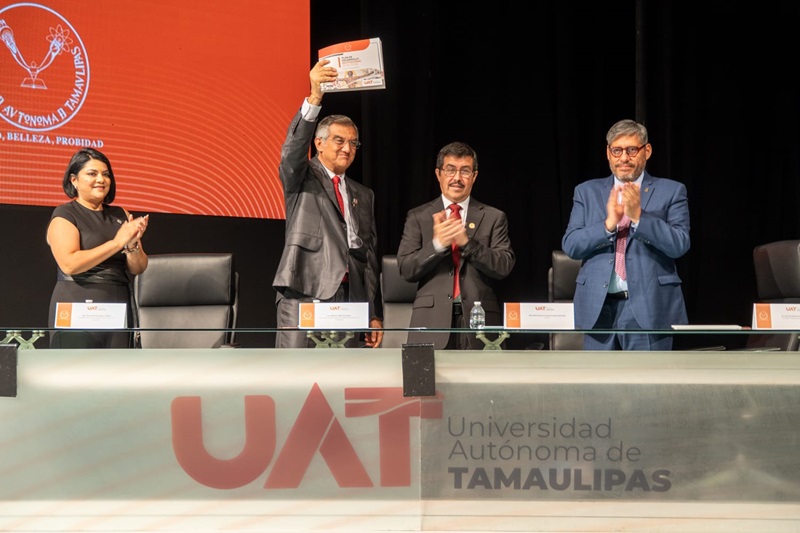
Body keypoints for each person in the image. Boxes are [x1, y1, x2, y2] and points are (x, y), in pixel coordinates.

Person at [272, 59, 383, 349]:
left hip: (350, 300)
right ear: (319, 143)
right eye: (339, 140)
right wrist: (315, 97)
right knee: (296, 374)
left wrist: (374, 313)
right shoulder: (302, 176)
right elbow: (291, 152)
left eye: (353, 143)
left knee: (342, 375)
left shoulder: (364, 194)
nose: (347, 148)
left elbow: (369, 259)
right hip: (304, 293)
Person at [561, 119, 690, 350]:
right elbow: (571, 245)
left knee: (648, 375)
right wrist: (608, 225)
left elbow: (679, 244)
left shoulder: (672, 191)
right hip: (598, 309)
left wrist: (639, 217)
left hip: (649, 309)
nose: (623, 158)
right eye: (617, 151)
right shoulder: (586, 192)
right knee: (597, 375)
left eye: (631, 150)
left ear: (646, 151)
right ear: (608, 153)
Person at [397, 141, 515, 350]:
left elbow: (503, 266)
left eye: (465, 171)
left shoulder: (494, 217)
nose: (457, 178)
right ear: (438, 174)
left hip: (480, 324)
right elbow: (406, 269)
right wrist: (437, 244)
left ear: (474, 176)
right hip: (430, 322)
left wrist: (467, 243)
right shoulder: (418, 216)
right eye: (450, 170)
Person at [47, 148, 149, 348]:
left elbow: (138, 268)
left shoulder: (120, 214)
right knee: (75, 365)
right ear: (74, 180)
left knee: (115, 366)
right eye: (92, 174)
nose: (101, 180)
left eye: (106, 174)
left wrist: (131, 245)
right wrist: (117, 243)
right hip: (77, 301)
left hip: (117, 303)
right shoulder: (65, 215)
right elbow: (69, 264)